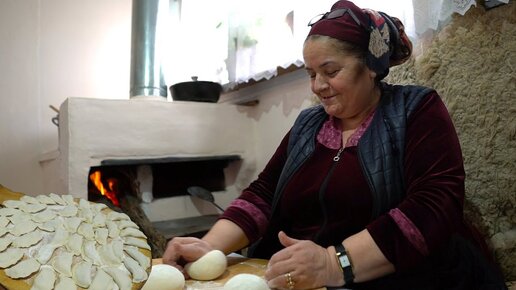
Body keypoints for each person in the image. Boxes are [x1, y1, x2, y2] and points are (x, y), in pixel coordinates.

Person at [163, 1, 507, 289]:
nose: (318, 86)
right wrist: (208, 247)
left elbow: (434, 205)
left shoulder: (416, 109)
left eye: (330, 71)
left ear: (370, 67)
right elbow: (263, 195)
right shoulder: (308, 124)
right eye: (311, 74)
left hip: (404, 272)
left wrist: (333, 262)